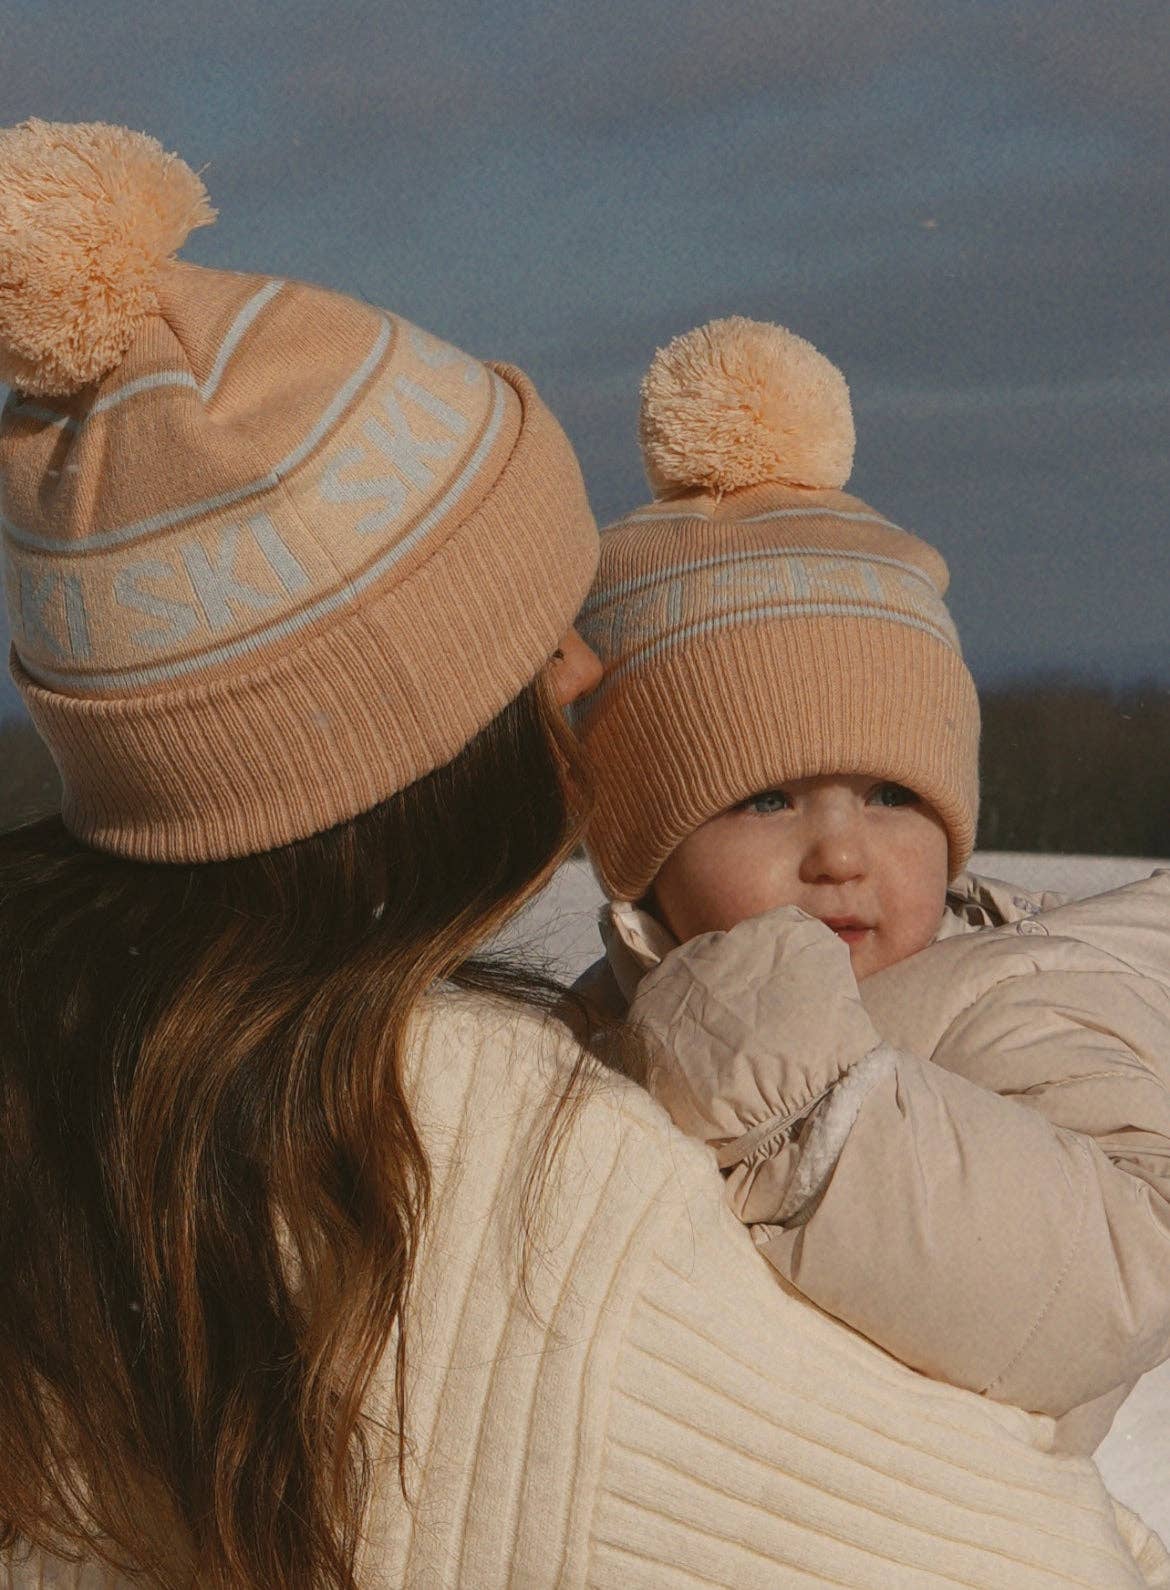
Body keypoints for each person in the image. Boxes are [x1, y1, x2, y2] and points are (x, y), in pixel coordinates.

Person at [0, 120, 1165, 1590]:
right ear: (399, 743)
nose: (578, 671)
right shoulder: (500, 1166)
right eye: (534, 626)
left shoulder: (83, 1094)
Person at [573, 315, 1170, 1468]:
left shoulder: (1009, 1001)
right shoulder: (609, 1019)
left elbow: (1126, 1270)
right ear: (639, 847)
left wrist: (812, 1117)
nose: (840, 852)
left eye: (891, 794)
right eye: (766, 800)